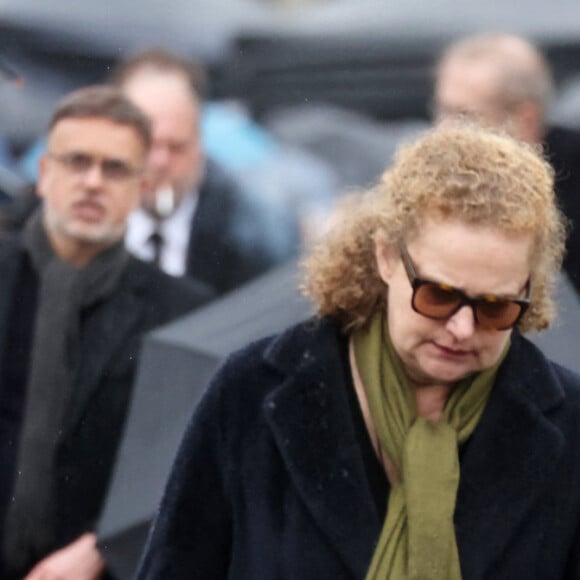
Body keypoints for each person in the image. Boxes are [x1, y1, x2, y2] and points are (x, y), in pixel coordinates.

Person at [136, 124, 580, 579]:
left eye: (495, 305)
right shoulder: (254, 390)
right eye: (439, 295)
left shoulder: (568, 423)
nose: (462, 327)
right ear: (386, 257)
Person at [0, 85, 210, 579]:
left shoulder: (179, 310)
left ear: (140, 188)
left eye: (114, 168)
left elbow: (176, 465)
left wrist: (98, 551)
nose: (93, 182)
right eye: (77, 161)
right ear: (44, 174)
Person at [110, 49, 298, 296]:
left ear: (200, 140)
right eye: (147, 145)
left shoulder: (255, 234)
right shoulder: (76, 221)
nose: (160, 162)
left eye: (176, 147)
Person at [433, 32, 580, 294]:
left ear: (526, 120)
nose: (444, 131)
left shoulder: (571, 187)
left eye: (464, 116)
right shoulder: (434, 182)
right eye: (443, 111)